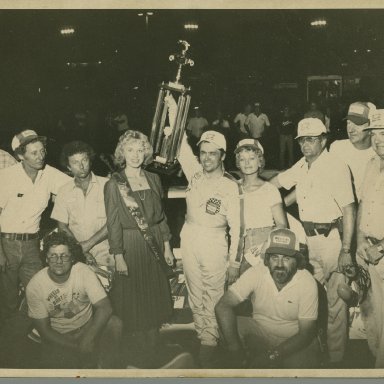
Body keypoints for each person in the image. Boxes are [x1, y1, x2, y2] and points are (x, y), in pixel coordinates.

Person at [270, 118, 356, 366]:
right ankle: (314, 352)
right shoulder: (304, 165)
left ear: (323, 140)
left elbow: (349, 210)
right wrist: (263, 197)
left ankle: (336, 362)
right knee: (307, 299)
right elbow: (280, 184)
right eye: (302, 140)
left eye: (311, 139)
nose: (306, 145)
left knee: (336, 303)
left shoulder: (335, 166)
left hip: (333, 240)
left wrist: (346, 251)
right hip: (309, 241)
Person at [104, 130, 174, 368]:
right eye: (130, 150)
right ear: (122, 153)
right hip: (130, 244)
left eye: (140, 149)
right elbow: (113, 223)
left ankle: (155, 353)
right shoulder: (114, 183)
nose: (135, 155)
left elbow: (161, 217)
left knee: (153, 296)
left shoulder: (154, 178)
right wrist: (118, 255)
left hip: (154, 241)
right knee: (133, 300)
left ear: (147, 152)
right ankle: (137, 355)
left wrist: (167, 247)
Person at [178, 130, 241, 367]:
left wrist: (234, 261)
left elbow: (237, 227)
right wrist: (173, 107)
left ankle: (210, 341)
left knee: (213, 292)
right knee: (194, 292)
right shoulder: (195, 176)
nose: (206, 158)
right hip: (190, 236)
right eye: (203, 153)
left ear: (222, 155)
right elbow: (183, 149)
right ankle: (202, 334)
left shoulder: (230, 186)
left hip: (214, 239)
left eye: (212, 154)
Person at [215, 228, 320, 368]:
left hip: (295, 339)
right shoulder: (257, 272)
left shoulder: (307, 281)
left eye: (286, 258)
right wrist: (235, 349)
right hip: (261, 332)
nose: (280, 265)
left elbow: (306, 334)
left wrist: (273, 355)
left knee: (297, 371)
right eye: (274, 257)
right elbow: (222, 306)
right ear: (267, 259)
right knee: (227, 326)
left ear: (297, 261)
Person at [0, 129, 70, 320]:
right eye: (34, 153)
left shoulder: (49, 174)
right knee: (8, 299)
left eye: (42, 151)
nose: (40, 157)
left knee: (38, 294)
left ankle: (32, 337)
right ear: (21, 156)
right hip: (6, 244)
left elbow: (74, 185)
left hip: (32, 244)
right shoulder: (6, 177)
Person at [26, 231, 122, 368]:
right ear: (46, 259)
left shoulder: (83, 271)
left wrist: (89, 338)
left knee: (115, 323)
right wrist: (77, 346)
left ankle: (107, 372)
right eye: (53, 256)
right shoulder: (35, 286)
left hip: (88, 327)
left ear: (72, 258)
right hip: (59, 335)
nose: (59, 261)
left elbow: (105, 308)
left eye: (64, 255)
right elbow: (45, 331)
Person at [51, 141, 114, 273]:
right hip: (78, 257)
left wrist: (88, 244)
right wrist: (80, 250)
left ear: (90, 161)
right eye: (75, 162)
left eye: (84, 160)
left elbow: (114, 221)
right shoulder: (63, 191)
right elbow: (62, 227)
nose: (81, 166)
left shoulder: (108, 185)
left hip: (109, 254)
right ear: (68, 167)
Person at [356, 109, 384, 367]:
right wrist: (360, 241)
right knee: (372, 314)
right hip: (368, 250)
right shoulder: (371, 164)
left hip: (382, 251)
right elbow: (363, 205)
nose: (379, 139)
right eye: (374, 134)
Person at [234, 138, 287, 273]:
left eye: (252, 158)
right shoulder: (233, 188)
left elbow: (281, 224)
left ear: (260, 161)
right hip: (238, 243)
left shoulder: (270, 189)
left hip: (263, 243)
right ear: (238, 163)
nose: (247, 163)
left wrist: (265, 245)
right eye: (242, 159)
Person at [330, 101, 376, 201]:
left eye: (357, 124)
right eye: (348, 123)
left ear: (371, 127)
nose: (350, 129)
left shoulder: (378, 153)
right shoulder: (337, 148)